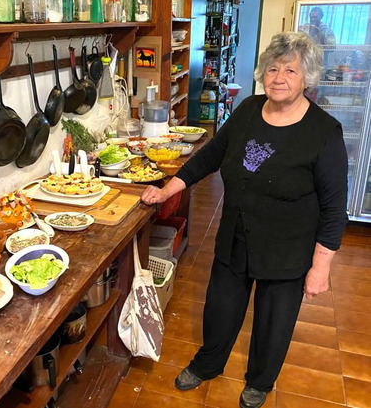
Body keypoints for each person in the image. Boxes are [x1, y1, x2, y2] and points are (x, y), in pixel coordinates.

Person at [141, 31, 348, 408]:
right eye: (272, 69)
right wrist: (167, 190)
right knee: (219, 309)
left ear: (307, 78)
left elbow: (335, 209)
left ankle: (260, 381)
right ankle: (208, 363)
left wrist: (320, 268)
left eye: (290, 70)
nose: (279, 78)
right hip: (236, 235)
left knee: (273, 322)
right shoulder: (249, 109)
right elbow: (210, 157)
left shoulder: (324, 132)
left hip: (287, 250)